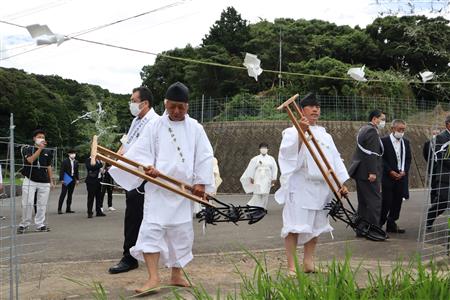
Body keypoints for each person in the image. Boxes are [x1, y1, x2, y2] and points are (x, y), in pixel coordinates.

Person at [110, 81, 214, 293]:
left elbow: (204, 156)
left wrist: (201, 182)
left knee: (181, 234)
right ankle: (153, 278)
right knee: (151, 231)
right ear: (165, 104)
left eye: (181, 107)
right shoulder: (154, 126)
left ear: (187, 106)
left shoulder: (196, 128)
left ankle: (176, 275)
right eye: (172, 106)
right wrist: (147, 168)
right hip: (158, 188)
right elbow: (141, 153)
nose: (176, 111)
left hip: (183, 191)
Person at [275, 93, 349, 274]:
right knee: (294, 226)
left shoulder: (326, 135)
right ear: (301, 110)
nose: (316, 109)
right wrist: (301, 133)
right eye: (311, 106)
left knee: (316, 226)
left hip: (322, 186)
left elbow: (335, 160)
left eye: (318, 106)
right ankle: (291, 266)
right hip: (300, 185)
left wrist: (340, 183)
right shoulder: (292, 131)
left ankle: (308, 263)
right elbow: (287, 156)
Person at [108, 86, 159, 274]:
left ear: (145, 103)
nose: (131, 104)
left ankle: (143, 256)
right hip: (134, 176)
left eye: (133, 100)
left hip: (147, 177)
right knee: (133, 216)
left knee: (149, 218)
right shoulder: (136, 121)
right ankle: (130, 256)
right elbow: (127, 144)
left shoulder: (156, 122)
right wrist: (116, 157)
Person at [348, 109, 386, 240]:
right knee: (374, 202)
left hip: (360, 172)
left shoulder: (363, 129)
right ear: (375, 119)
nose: (383, 122)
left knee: (363, 202)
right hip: (368, 173)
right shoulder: (371, 131)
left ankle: (361, 228)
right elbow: (372, 153)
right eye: (382, 119)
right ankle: (374, 231)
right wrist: (372, 172)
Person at [18, 129, 55, 233]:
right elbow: (30, 160)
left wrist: (51, 181)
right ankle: (24, 224)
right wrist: (39, 149)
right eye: (39, 137)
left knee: (42, 204)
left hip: (44, 181)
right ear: (34, 138)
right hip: (30, 180)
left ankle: (40, 224)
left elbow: (49, 166)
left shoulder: (48, 152)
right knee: (27, 203)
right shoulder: (28, 149)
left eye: (43, 137)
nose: (41, 139)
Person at [380, 120, 411, 233]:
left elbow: (408, 159)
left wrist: (404, 171)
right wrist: (390, 171)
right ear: (392, 129)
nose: (401, 132)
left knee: (397, 201)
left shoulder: (406, 142)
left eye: (403, 130)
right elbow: (381, 159)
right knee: (386, 201)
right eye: (399, 130)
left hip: (401, 176)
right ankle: (380, 223)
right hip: (388, 176)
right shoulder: (384, 141)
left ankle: (391, 223)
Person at [426, 116, 450, 230]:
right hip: (444, 175)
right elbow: (439, 156)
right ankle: (430, 218)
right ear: (447, 124)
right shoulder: (440, 138)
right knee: (443, 201)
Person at [240, 143, 278, 209]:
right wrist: (251, 177)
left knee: (265, 193)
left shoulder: (271, 158)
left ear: (267, 149)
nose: (264, 149)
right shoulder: (255, 159)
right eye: (262, 148)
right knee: (257, 192)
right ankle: (254, 206)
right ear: (259, 149)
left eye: (265, 148)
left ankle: (263, 207)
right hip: (258, 177)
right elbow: (251, 168)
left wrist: (274, 178)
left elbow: (275, 168)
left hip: (267, 177)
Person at [57, 149, 79, 214]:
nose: (73, 154)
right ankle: (59, 209)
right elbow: (62, 170)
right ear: (69, 154)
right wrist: (61, 179)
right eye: (72, 153)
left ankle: (68, 208)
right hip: (66, 178)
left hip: (72, 178)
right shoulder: (65, 161)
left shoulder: (76, 162)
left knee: (70, 194)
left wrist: (77, 179)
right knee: (63, 193)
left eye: (74, 153)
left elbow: (76, 171)